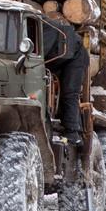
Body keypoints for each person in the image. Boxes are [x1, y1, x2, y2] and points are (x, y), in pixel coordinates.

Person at [41, 16, 89, 147]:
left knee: (69, 92)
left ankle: (73, 132)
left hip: (74, 55)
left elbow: (39, 53)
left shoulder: (39, 28)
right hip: (56, 56)